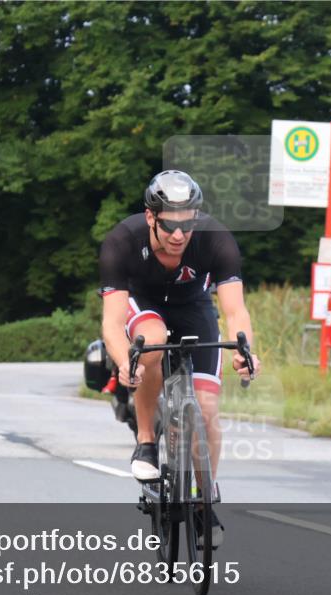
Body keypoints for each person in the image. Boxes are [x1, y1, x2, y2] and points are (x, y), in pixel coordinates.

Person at [98, 170, 261, 545]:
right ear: (151, 216)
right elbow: (111, 323)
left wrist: (245, 351)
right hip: (144, 304)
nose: (178, 236)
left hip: (193, 306)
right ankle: (146, 441)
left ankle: (205, 504)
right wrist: (126, 362)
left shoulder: (215, 239)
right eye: (169, 225)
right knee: (151, 342)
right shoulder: (123, 241)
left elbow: (235, 312)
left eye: (187, 226)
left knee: (205, 410)